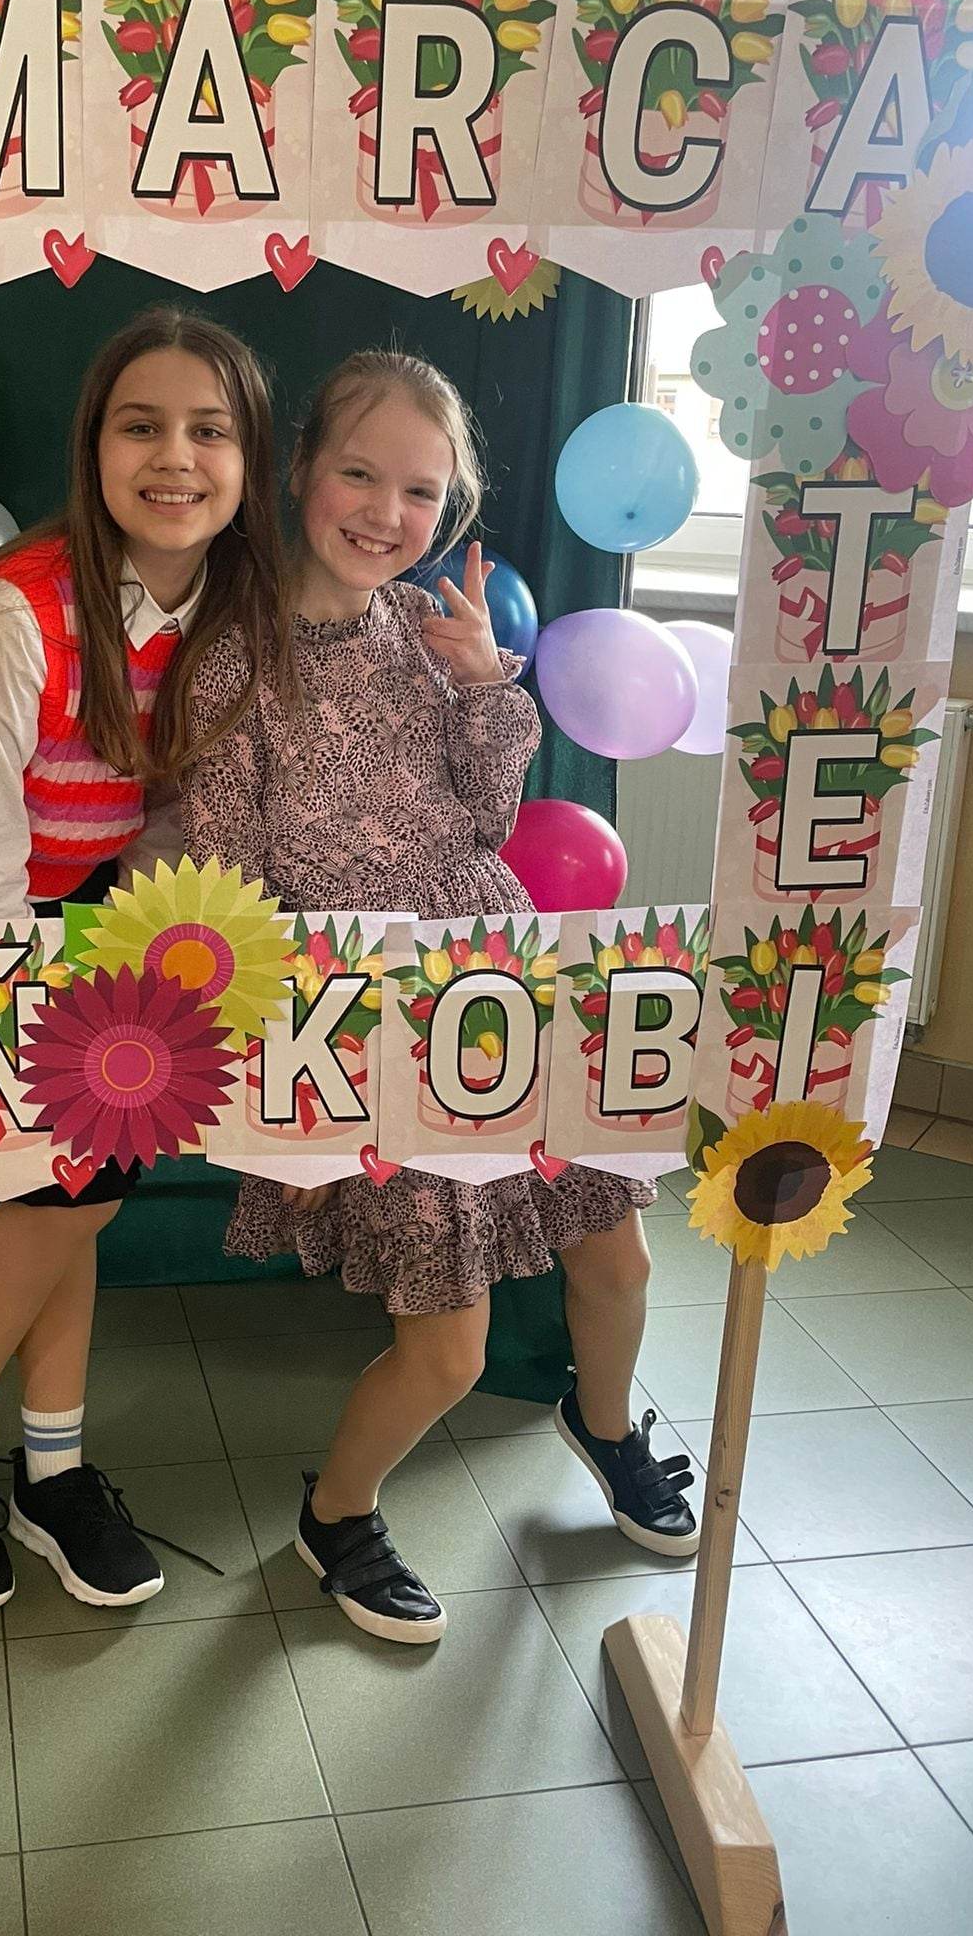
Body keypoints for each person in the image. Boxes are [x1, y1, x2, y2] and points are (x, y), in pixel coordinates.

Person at [180, 349, 697, 1646]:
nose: (386, 512)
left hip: (501, 985)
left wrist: (482, 687)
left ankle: (607, 1423)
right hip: (367, 1025)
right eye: (360, 474)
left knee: (618, 1254)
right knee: (450, 1347)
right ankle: (337, 1511)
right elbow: (231, 905)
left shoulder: (426, 626)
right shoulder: (233, 663)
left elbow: (488, 815)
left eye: (421, 491)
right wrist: (295, 1104)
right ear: (301, 468)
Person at [0, 308, 293, 1615]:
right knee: (65, 1179)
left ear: (251, 461)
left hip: (84, 882)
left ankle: (50, 1463)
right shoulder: (13, 615)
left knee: (87, 1179)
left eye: (210, 431)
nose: (176, 457)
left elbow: (177, 811)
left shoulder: (235, 608)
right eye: (141, 426)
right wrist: (15, 1014)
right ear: (94, 448)